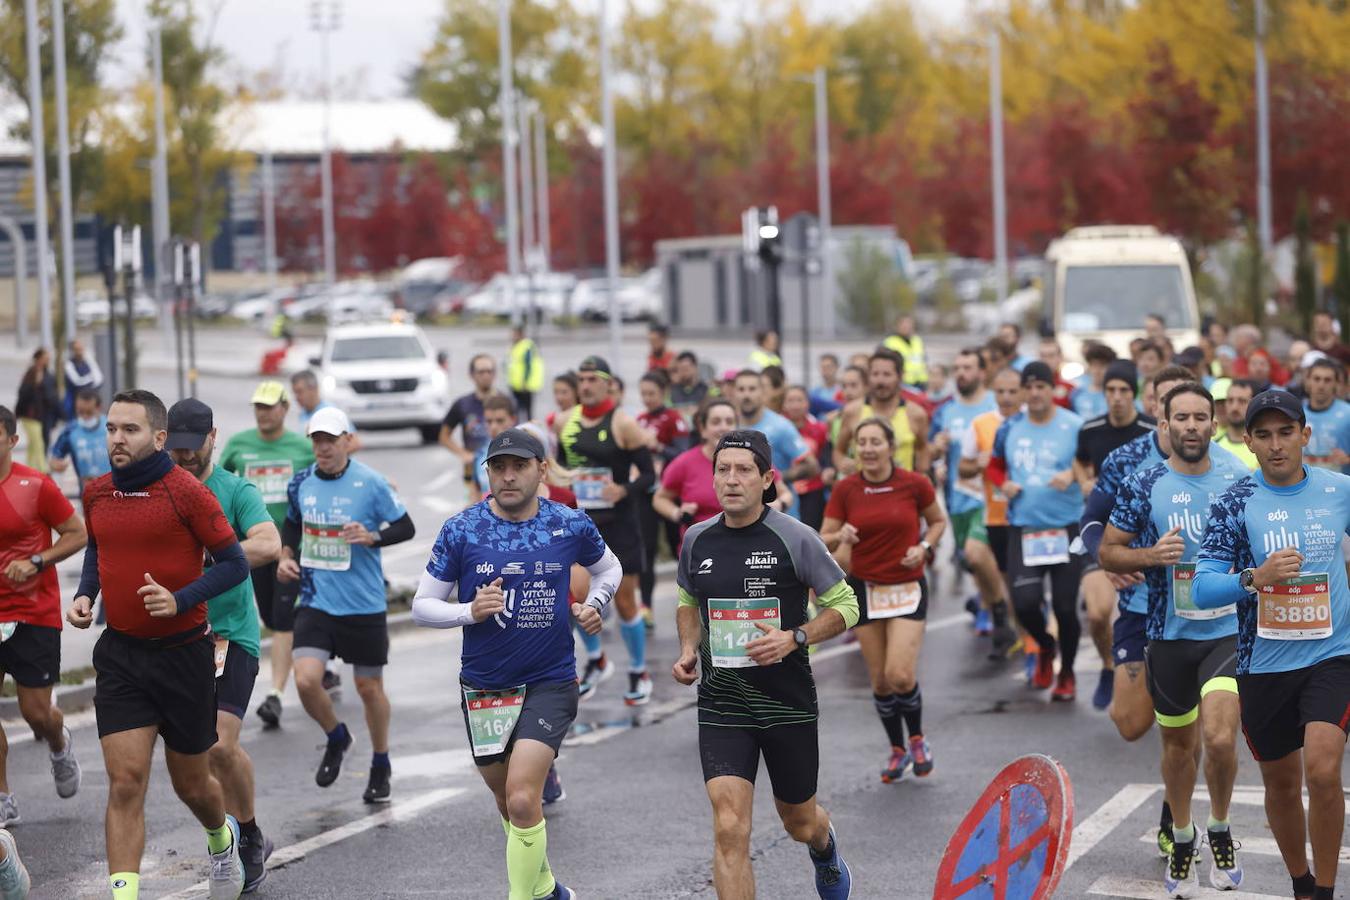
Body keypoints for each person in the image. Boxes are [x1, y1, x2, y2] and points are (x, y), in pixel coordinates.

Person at [411, 426, 620, 900]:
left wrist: (597, 602)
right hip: (484, 687)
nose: (508, 477)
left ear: (541, 470)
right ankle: (548, 890)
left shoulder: (569, 525)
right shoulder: (462, 530)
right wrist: (470, 610)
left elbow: (610, 567)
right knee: (510, 805)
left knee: (526, 797)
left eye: (519, 466)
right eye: (498, 467)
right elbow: (423, 606)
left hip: (550, 680)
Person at [66, 389, 248, 900]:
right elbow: (99, 545)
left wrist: (181, 598)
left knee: (193, 785)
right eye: (111, 429)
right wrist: (86, 594)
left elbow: (233, 563)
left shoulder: (185, 491)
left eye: (130, 430)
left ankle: (220, 838)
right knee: (125, 782)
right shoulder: (97, 492)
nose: (117, 439)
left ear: (159, 437)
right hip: (122, 655)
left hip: (184, 655)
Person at [673, 430, 857, 900]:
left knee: (798, 821)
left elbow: (846, 606)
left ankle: (823, 846)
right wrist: (688, 648)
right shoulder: (697, 539)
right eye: (723, 469)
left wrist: (795, 637)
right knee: (730, 827)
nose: (732, 480)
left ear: (767, 479)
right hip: (723, 703)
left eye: (744, 470)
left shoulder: (796, 538)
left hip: (786, 702)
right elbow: (688, 598)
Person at [1193, 389, 1350, 900]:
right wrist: (1254, 577)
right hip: (1264, 662)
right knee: (1281, 784)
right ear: (1249, 441)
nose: (1277, 444)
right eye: (1264, 435)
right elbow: (1201, 585)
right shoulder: (1235, 502)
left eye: (1287, 432)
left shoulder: (1339, 490)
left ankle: (1326, 891)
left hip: (1333, 653)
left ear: (1306, 435)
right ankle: (1301, 883)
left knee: (1324, 768)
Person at [1102, 382, 1248, 895]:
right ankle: (1183, 833)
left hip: (1228, 630)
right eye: (1180, 418)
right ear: (1164, 425)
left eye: (1200, 417)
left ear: (1214, 422)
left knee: (1221, 737)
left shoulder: (1239, 476)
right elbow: (1109, 552)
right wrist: (1150, 556)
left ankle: (1221, 826)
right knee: (1178, 746)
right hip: (1168, 634)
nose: (1191, 426)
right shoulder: (1145, 483)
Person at [166, 399, 282, 892]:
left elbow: (268, 542)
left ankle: (249, 836)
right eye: (176, 448)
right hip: (177, 639)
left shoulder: (235, 490)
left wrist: (212, 558)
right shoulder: (158, 490)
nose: (185, 457)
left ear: (213, 437)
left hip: (231, 635)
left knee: (221, 744)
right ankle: (235, 832)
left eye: (193, 447)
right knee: (195, 757)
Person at [277, 407, 415, 803]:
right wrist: (287, 555)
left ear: (346, 442)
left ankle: (381, 761)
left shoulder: (370, 483)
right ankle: (336, 736)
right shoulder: (301, 482)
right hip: (316, 599)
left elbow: (406, 526)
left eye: (330, 440)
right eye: (317, 440)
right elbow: (291, 522)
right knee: (305, 680)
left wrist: (372, 536)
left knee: (369, 688)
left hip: (363, 603)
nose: (322, 447)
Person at [822, 417, 944, 782]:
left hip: (906, 587)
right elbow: (821, 537)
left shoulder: (915, 483)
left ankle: (918, 738)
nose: (869, 449)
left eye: (877, 441)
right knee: (880, 681)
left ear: (891, 446)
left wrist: (924, 548)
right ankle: (897, 749)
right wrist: (839, 534)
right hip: (865, 589)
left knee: (900, 674)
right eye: (863, 442)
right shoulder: (846, 489)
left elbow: (937, 522)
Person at [0, 403, 87, 826]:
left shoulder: (36, 485)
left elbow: (78, 533)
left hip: (33, 612)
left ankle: (57, 742)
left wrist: (37, 561)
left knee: (36, 713)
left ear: (13, 441)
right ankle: (3, 796)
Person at [554, 356, 656, 705]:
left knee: (626, 601)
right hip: (582, 524)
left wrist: (623, 490)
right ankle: (597, 659)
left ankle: (639, 670)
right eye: (580, 379)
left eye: (591, 379)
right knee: (577, 597)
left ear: (607, 383)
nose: (584, 386)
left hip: (620, 524)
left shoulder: (623, 424)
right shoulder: (565, 422)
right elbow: (557, 466)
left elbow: (648, 475)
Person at [218, 381, 318, 729]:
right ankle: (317, 660)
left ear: (284, 408)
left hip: (291, 548)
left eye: (269, 406)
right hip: (253, 548)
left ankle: (275, 693)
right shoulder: (238, 445)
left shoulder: (301, 448)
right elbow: (214, 483)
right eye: (258, 406)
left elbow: (324, 479)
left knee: (283, 618)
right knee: (272, 621)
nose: (263, 413)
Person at [988, 361, 1086, 700]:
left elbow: (1091, 466)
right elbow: (995, 465)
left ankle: (1068, 672)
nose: (1034, 393)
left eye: (1040, 386)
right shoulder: (1011, 427)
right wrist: (1005, 484)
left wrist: (1072, 476)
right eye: (1028, 387)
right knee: (1025, 602)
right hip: (1025, 528)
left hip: (1066, 526)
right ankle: (1045, 646)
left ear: (1052, 389)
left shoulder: (1073, 426)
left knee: (1064, 606)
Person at [1073, 359, 1155, 709]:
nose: (1118, 397)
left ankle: (1151, 674)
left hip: (1143, 539)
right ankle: (1108, 665)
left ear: (1133, 393)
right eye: (1111, 390)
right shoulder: (1090, 429)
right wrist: (1084, 482)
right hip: (1102, 530)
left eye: (1124, 390)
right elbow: (1079, 460)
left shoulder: (1150, 430)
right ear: (1103, 392)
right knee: (1096, 613)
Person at [930, 349, 1010, 649]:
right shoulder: (945, 411)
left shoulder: (995, 405)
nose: (961, 373)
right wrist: (936, 449)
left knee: (979, 554)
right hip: (956, 498)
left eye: (968, 367)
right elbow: (932, 452)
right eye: (957, 368)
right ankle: (990, 606)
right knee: (972, 561)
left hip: (988, 498)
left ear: (981, 372)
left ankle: (999, 610)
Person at [959, 366, 1022, 660]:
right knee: (973, 553)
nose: (1006, 397)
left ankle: (1027, 635)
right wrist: (980, 463)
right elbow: (964, 467)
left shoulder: (1030, 423)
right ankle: (998, 612)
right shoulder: (982, 423)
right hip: (991, 513)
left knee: (1017, 583)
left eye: (1012, 391)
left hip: (1025, 515)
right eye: (1001, 392)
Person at [636, 371, 691, 623]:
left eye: (652, 394)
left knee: (677, 545)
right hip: (647, 494)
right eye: (643, 394)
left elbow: (682, 454)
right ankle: (646, 606)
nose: (647, 399)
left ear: (664, 392)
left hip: (672, 494)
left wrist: (657, 447)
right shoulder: (639, 420)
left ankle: (689, 599)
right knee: (646, 549)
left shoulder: (674, 419)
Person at [731, 370, 819, 518]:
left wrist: (770, 479)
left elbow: (811, 466)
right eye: (741, 389)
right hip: (740, 515)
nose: (746, 395)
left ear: (763, 392)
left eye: (752, 389)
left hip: (780, 514)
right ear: (734, 393)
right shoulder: (727, 425)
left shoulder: (781, 426)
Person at [653, 399, 740, 546]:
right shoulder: (685, 462)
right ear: (703, 429)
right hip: (699, 550)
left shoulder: (751, 460)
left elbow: (782, 492)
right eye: (716, 422)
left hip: (744, 546)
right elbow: (659, 499)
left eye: (729, 421)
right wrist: (678, 513)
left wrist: (777, 505)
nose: (723, 427)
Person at [833, 349, 930, 477]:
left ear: (900, 376)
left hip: (902, 493)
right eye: (875, 374)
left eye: (887, 374)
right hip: (864, 492)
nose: (880, 381)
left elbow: (922, 449)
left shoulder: (916, 414)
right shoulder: (853, 411)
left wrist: (921, 476)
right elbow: (838, 451)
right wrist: (843, 464)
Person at [442, 354, 505, 489]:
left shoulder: (506, 402)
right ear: (471, 375)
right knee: (474, 508)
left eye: (489, 371)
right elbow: (444, 436)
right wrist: (463, 454)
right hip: (472, 473)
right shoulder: (462, 404)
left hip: (502, 470)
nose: (486, 375)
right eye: (481, 372)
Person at [781, 385, 831, 530]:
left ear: (807, 403)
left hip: (813, 491)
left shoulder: (819, 429)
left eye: (800, 400)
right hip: (785, 489)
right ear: (784, 404)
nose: (795, 405)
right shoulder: (779, 429)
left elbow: (826, 457)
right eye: (791, 400)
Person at [49, 388, 112, 491]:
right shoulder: (70, 431)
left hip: (113, 487)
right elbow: (54, 460)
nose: (85, 416)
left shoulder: (112, 426)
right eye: (81, 412)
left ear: (98, 408)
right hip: (87, 489)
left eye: (89, 412)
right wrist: (57, 465)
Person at [1302, 358, 1350, 472]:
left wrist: (1348, 459)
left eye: (1327, 380)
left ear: (1336, 384)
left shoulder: (1348, 413)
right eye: (1316, 379)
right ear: (1308, 381)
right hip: (1305, 486)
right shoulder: (1295, 413)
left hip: (1340, 485)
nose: (1321, 385)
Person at [14, 349, 53, 474]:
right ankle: (44, 470)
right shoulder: (31, 373)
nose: (48, 360)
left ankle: (29, 469)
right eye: (45, 357)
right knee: (38, 443)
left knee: (32, 445)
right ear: (39, 358)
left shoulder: (46, 373)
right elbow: (23, 393)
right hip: (29, 416)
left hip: (40, 415)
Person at [1212, 378, 1259, 470]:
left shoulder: (1263, 448)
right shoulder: (1213, 447)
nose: (1234, 407)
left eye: (1242, 401)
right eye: (1230, 400)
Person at [507, 324, 545, 420]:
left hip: (525, 386)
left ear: (521, 334)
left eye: (515, 334)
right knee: (517, 410)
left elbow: (528, 365)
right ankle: (519, 429)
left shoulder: (526, 346)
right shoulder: (516, 345)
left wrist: (525, 381)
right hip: (516, 384)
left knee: (527, 411)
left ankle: (529, 431)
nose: (512, 336)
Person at [1073, 342, 1118, 419]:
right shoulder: (1077, 393)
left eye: (1102, 365)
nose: (1097, 370)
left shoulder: (1118, 394)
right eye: (1093, 365)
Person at [883, 314, 929, 389]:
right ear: (897, 326)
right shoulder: (890, 343)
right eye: (904, 324)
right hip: (903, 384)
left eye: (909, 324)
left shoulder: (917, 340)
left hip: (921, 383)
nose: (907, 327)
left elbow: (923, 360)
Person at [62, 338, 104, 420]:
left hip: (92, 398)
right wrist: (90, 378)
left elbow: (99, 378)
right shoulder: (69, 364)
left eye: (81, 348)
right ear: (72, 351)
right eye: (77, 349)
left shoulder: (88, 361)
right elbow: (77, 382)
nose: (79, 351)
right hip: (76, 401)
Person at [1037, 337, 1078, 410]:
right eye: (1043, 356)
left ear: (1060, 358)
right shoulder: (1028, 388)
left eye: (1051, 356)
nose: (1046, 360)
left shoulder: (1071, 388)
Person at [809, 353, 843, 418]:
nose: (825, 370)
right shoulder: (815, 392)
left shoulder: (844, 389)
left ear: (837, 367)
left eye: (828, 367)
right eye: (823, 367)